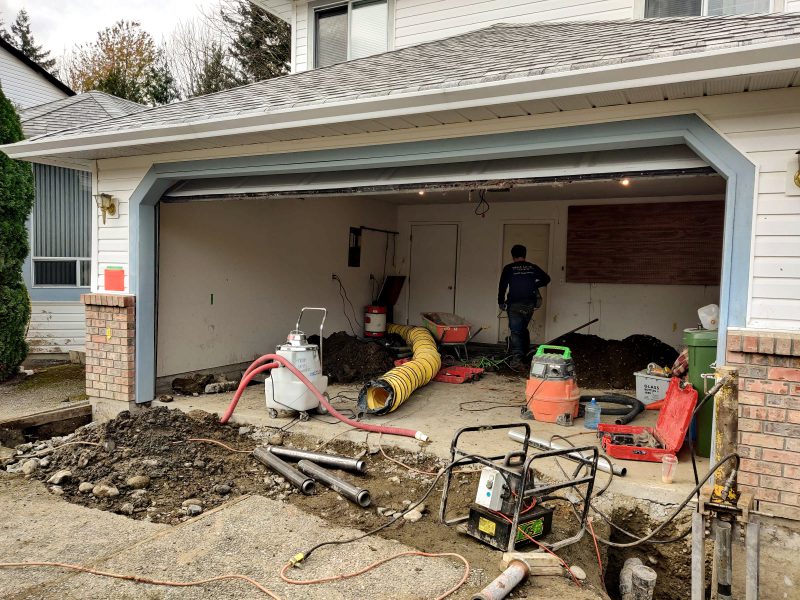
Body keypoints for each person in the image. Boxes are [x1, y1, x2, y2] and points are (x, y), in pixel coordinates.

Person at [498, 244, 551, 369]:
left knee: (516, 332)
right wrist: (535, 285)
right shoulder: (532, 267)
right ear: (525, 254)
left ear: (513, 256)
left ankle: (517, 360)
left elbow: (502, 286)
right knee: (522, 328)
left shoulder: (509, 268)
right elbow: (547, 279)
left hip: (515, 304)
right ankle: (526, 354)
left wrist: (501, 301)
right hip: (529, 304)